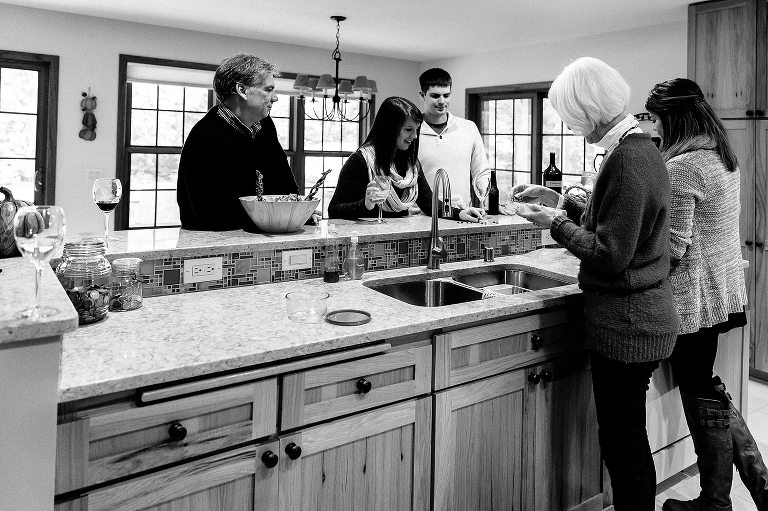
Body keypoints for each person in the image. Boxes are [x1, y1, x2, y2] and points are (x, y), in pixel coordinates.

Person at [513, 57, 680, 511]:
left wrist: (555, 224)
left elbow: (610, 254)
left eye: (570, 117)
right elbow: (616, 219)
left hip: (628, 322)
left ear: (586, 108)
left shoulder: (628, 159)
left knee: (623, 445)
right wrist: (559, 200)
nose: (571, 127)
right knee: (628, 436)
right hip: (641, 316)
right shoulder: (638, 148)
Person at [646, 79, 767, 511]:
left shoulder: (683, 166)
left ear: (675, 118)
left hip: (692, 298)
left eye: (656, 119)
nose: (653, 128)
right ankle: (741, 492)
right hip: (722, 291)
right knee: (705, 385)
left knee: (701, 387)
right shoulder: (721, 155)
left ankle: (717, 502)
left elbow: (673, 249)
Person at [177, 52, 299, 231]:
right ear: (242, 90)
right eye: (268, 89)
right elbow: (214, 216)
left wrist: (299, 211)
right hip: (214, 251)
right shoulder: (205, 138)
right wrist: (278, 215)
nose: (275, 97)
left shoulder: (265, 126)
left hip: (264, 238)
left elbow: (287, 186)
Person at [328, 96, 484, 222]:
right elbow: (334, 209)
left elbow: (428, 201)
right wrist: (366, 204)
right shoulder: (361, 160)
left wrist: (460, 213)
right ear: (390, 129)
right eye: (408, 130)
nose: (414, 136)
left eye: (416, 130)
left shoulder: (410, 161)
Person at [417, 68, 490, 208]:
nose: (441, 101)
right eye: (435, 96)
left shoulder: (469, 128)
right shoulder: (411, 131)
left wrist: (488, 201)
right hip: (422, 216)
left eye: (446, 95)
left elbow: (481, 171)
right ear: (422, 95)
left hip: (462, 215)